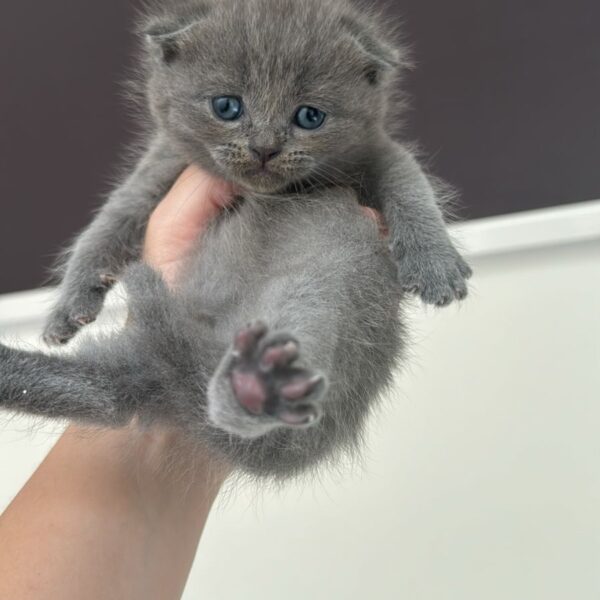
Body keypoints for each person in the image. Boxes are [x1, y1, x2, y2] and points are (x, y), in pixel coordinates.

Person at [0, 166, 384, 599]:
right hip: (223, 331)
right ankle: (252, 387)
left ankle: (262, 382)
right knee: (127, 384)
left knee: (328, 251)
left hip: (293, 347)